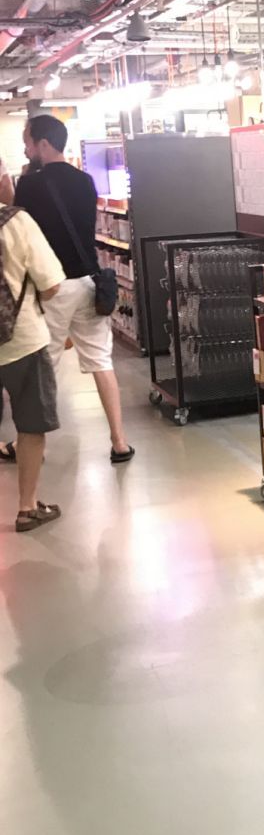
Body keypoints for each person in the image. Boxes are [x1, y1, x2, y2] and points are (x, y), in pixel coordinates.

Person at [9, 115, 133, 464]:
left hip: (53, 286)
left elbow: (20, 230)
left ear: (43, 143)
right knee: (101, 361)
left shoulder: (30, 185)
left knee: (43, 367)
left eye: (28, 142)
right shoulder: (85, 180)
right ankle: (120, 442)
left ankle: (28, 445)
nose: (26, 148)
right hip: (90, 283)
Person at [0, 201, 66, 529]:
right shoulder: (16, 221)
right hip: (21, 340)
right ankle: (27, 508)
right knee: (30, 424)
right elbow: (51, 284)